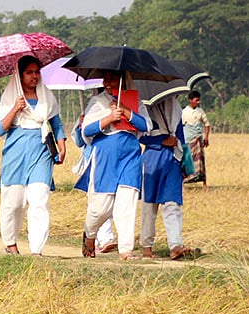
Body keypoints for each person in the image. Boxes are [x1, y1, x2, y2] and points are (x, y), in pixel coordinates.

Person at [0, 55, 65, 255]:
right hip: (16, 153)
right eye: (29, 73)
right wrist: (16, 109)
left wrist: (62, 145)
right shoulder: (11, 97)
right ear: (20, 75)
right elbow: (0, 129)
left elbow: (56, 123)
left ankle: (37, 250)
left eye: (37, 72)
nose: (34, 76)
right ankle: (10, 244)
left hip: (41, 151)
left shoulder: (46, 96)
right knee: (13, 203)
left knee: (39, 199)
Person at [76, 70, 151, 260]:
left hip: (130, 155)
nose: (108, 83)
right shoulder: (98, 101)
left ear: (123, 80)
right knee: (101, 207)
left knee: (127, 202)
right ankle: (90, 233)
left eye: (113, 79)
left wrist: (127, 111)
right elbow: (87, 130)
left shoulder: (135, 100)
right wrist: (109, 118)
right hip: (105, 156)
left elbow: (146, 126)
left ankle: (126, 250)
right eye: (106, 79)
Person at [139, 96, 197, 260]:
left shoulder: (175, 107)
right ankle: (146, 247)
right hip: (152, 160)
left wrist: (185, 162)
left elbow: (181, 136)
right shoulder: (144, 108)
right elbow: (139, 135)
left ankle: (175, 245)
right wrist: (161, 140)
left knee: (172, 203)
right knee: (149, 205)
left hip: (173, 159)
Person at [71, 96, 116, 254]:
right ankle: (96, 237)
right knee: (97, 203)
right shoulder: (89, 111)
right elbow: (78, 141)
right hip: (91, 162)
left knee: (109, 199)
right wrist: (81, 125)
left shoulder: (114, 108)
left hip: (108, 161)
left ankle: (105, 238)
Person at [182, 90, 210, 190]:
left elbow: (207, 124)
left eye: (199, 100)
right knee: (187, 161)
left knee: (200, 161)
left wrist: (206, 137)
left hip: (198, 139)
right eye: (196, 100)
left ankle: (204, 183)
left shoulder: (200, 111)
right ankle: (184, 182)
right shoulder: (184, 112)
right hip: (188, 140)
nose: (198, 102)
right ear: (190, 100)